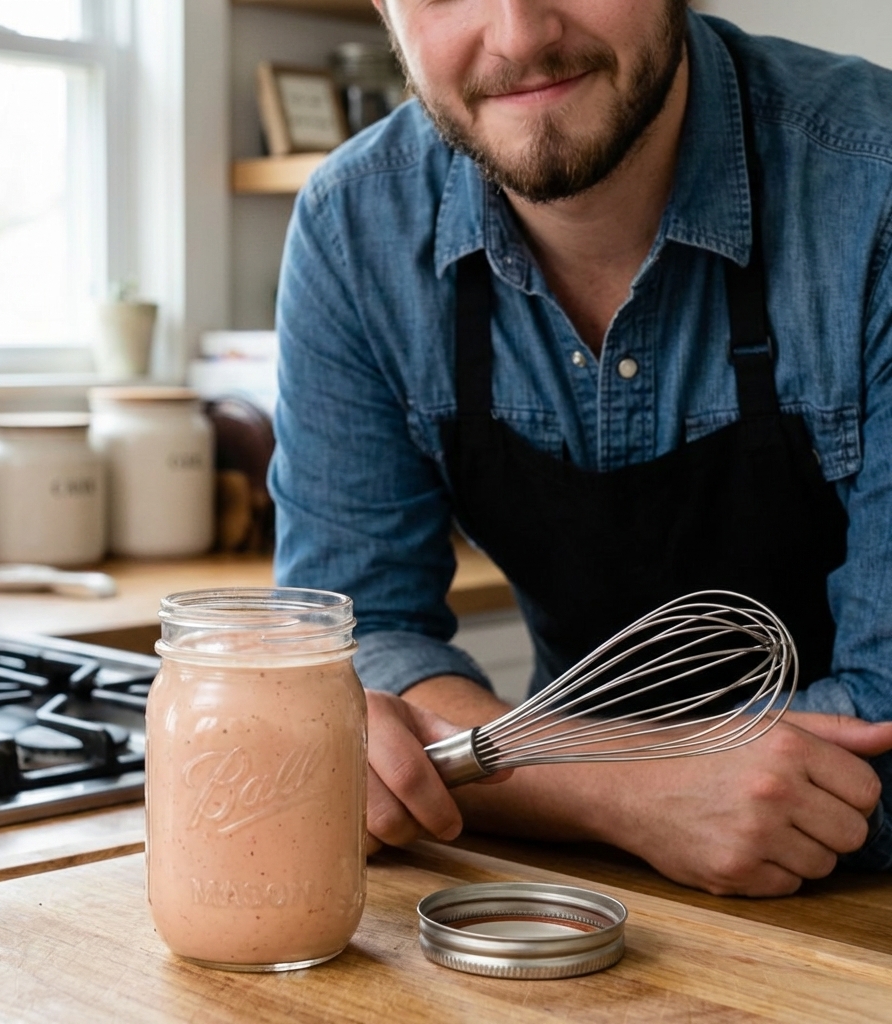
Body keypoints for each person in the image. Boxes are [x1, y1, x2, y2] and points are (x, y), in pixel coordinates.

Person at [269, 0, 892, 896]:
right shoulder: (353, 227)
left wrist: (486, 764)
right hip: (584, 892)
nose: (520, 35)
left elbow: (883, 721)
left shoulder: (873, 188)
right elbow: (353, 655)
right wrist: (621, 794)